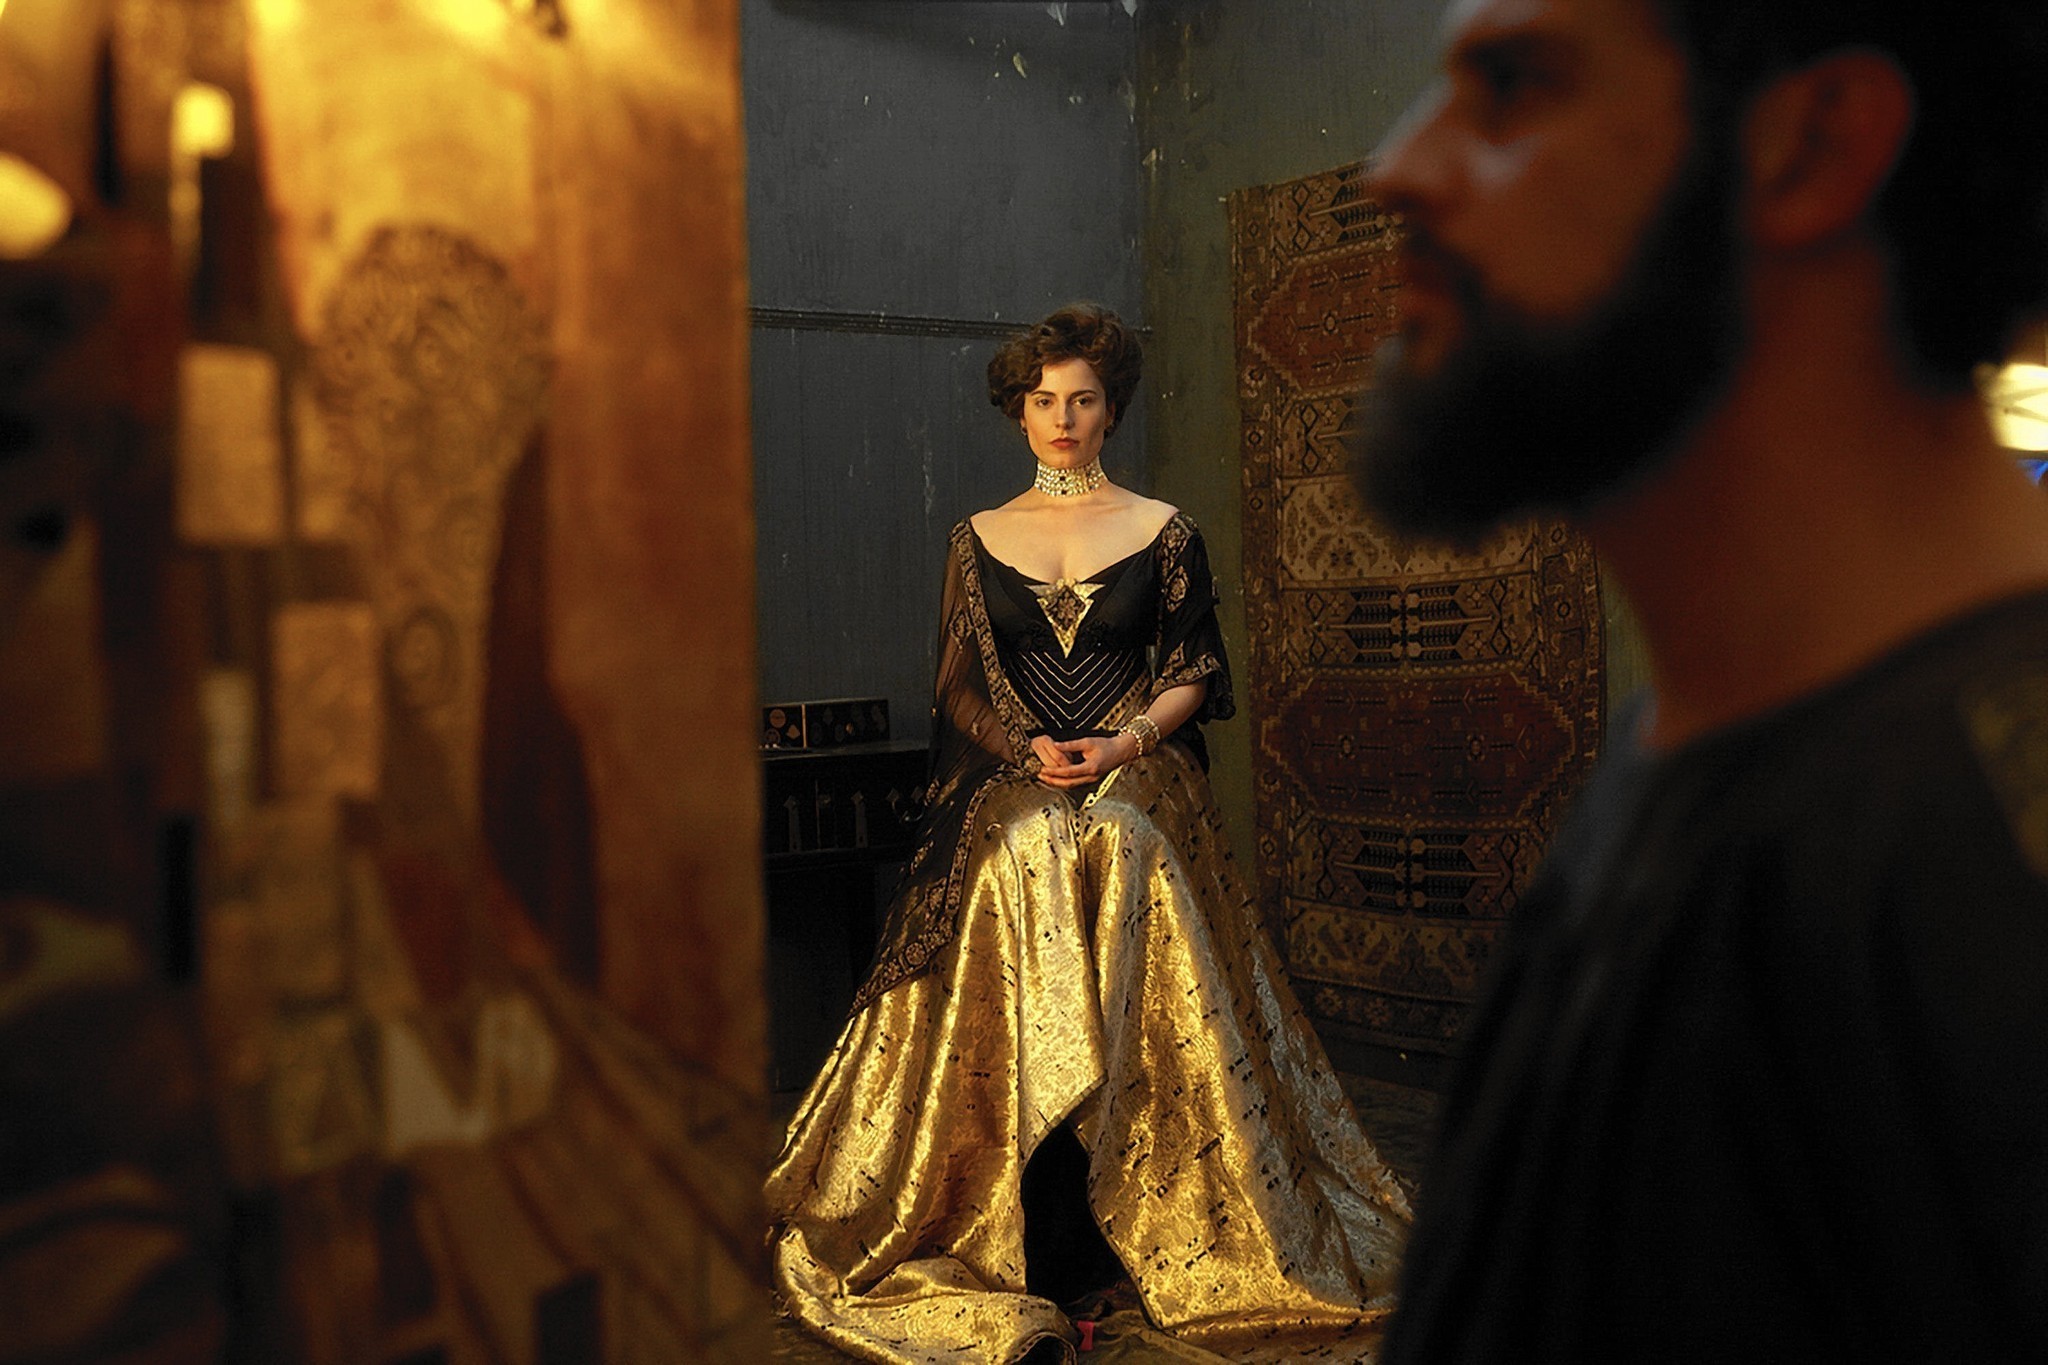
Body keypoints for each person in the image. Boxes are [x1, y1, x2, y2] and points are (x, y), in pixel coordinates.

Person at [1351, 0, 2048, 1360]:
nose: (1398, 168)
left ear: (1814, 147)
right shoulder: (1686, 748)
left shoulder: (1987, 863)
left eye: (1513, 84)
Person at [767, 303, 1411, 1365]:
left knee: (1121, 840)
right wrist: (1025, 751)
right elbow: (956, 687)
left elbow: (1193, 672)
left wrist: (1119, 744)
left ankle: (1154, 1193)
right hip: (1013, 767)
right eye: (1043, 401)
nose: (1062, 419)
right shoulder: (975, 537)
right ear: (1019, 415)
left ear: (1111, 412)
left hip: (1137, 758)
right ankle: (1028, 1204)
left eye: (1082, 400)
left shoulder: (1165, 529)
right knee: (1023, 851)